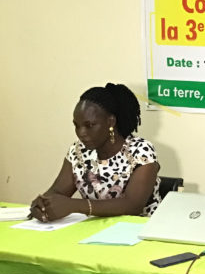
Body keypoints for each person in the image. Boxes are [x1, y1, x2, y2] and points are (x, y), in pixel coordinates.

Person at [29, 83, 162, 222]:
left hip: (142, 228)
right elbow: (57, 192)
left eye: (89, 125)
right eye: (77, 126)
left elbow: (132, 205)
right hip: (94, 229)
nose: (81, 133)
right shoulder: (78, 151)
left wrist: (73, 205)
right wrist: (42, 204)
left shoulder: (140, 151)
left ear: (111, 122)